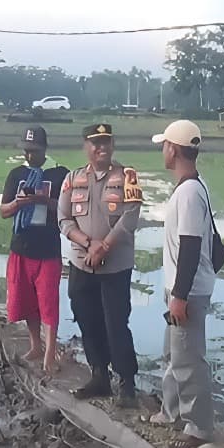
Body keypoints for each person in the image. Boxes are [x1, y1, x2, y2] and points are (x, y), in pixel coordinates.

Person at [57, 123, 141, 403]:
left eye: (105, 142)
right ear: (86, 146)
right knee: (87, 319)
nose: (100, 147)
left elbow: (130, 217)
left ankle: (126, 382)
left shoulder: (127, 177)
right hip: (82, 264)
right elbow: (63, 218)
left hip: (115, 266)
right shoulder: (73, 178)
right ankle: (99, 375)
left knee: (116, 323)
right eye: (95, 142)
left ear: (113, 144)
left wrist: (104, 246)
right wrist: (87, 243)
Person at [151, 120, 217, 448]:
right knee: (173, 354)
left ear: (173, 149)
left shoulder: (189, 192)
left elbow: (190, 247)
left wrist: (179, 296)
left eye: (164, 145)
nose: (162, 150)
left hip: (187, 290)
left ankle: (199, 428)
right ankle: (171, 411)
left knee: (188, 359)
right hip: (181, 287)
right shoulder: (192, 186)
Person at [0, 126, 69, 374]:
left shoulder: (60, 173)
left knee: (48, 302)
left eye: (35, 151)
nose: (30, 156)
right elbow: (3, 211)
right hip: (22, 246)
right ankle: (35, 345)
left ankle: (50, 353)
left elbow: (67, 208)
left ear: (45, 149)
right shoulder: (17, 174)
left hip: (48, 247)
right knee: (27, 300)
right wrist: (18, 203)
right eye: (27, 151)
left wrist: (43, 200)